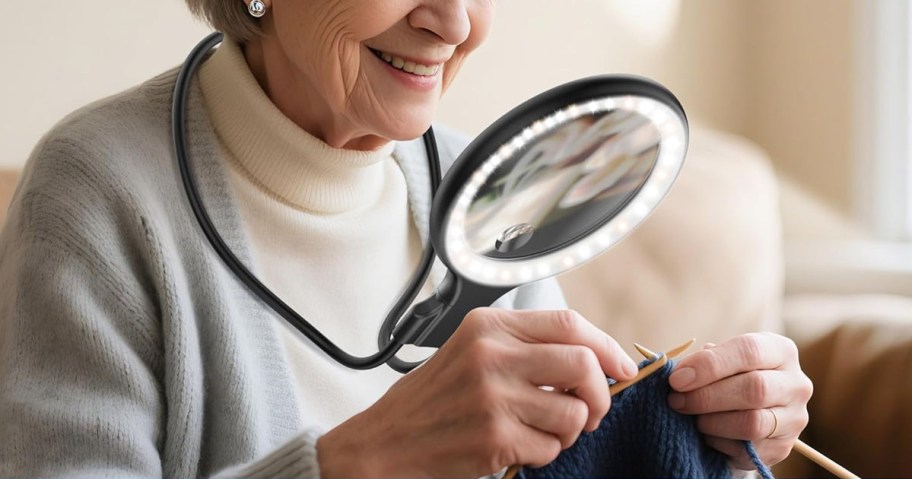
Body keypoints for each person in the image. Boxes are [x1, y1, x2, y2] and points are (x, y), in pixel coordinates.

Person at [0, 1, 812, 477]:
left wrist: (723, 439)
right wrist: (357, 461)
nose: (454, 23)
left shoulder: (489, 186)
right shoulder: (99, 194)